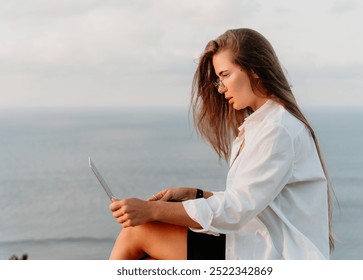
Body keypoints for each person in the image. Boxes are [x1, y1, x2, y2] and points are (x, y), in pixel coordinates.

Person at [108, 28, 334, 260]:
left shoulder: (277, 129)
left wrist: (151, 211)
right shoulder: (261, 125)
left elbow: (237, 209)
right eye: (219, 79)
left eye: (225, 75)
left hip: (274, 255)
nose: (221, 88)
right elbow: (250, 199)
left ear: (254, 69)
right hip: (257, 244)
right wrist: (196, 194)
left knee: (135, 233)